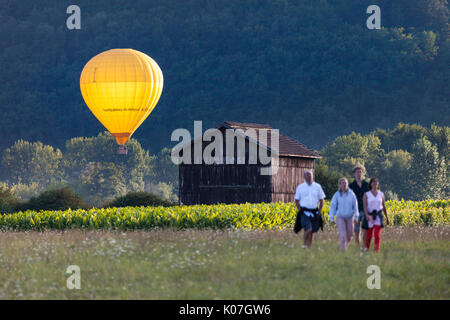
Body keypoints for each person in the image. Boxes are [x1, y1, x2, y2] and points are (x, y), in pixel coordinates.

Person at [293, 170, 326, 248]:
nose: (309, 176)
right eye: (307, 175)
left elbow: (322, 200)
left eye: (310, 174)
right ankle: (305, 245)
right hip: (304, 212)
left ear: (312, 176)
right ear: (304, 177)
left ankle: (309, 247)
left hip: (314, 211)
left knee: (311, 231)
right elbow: (297, 200)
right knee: (308, 229)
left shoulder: (317, 186)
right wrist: (300, 210)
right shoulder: (300, 187)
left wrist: (319, 211)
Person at [329, 178, 359, 251]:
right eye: (342, 183)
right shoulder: (337, 195)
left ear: (347, 184)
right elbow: (332, 206)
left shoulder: (351, 194)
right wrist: (331, 218)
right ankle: (343, 252)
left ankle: (344, 246)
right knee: (343, 236)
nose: (344, 184)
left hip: (350, 217)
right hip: (340, 217)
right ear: (340, 185)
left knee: (350, 235)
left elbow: (355, 206)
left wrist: (356, 217)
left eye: (345, 183)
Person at [363, 177, 390, 252]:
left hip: (378, 216)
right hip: (370, 216)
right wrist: (366, 215)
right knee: (369, 235)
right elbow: (365, 206)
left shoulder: (381, 194)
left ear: (378, 184)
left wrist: (387, 217)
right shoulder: (366, 194)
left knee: (377, 235)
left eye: (376, 182)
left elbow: (384, 206)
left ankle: (376, 250)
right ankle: (366, 249)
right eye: (373, 182)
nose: (375, 183)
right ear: (370, 184)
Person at [349, 165, 370, 248]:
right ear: (354, 174)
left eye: (360, 172)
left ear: (363, 174)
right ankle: (358, 247)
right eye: (357, 172)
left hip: (365, 210)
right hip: (355, 211)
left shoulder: (367, 185)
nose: (359, 174)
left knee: (365, 231)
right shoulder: (351, 186)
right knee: (357, 231)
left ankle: (364, 247)